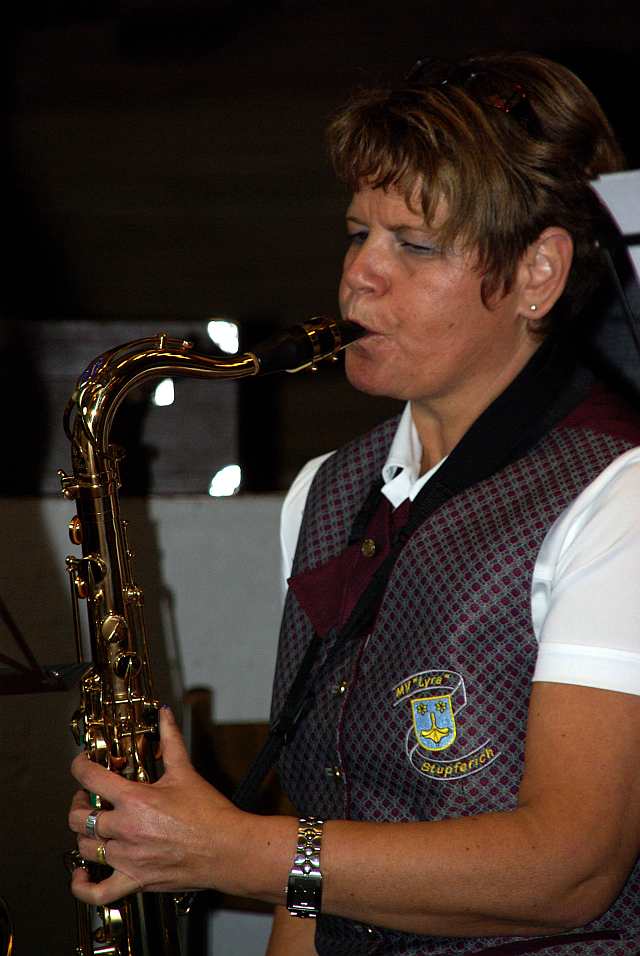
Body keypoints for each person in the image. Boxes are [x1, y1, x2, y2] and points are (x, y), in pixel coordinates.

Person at [68, 52, 640, 955]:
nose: (359, 276)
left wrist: (229, 850)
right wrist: (247, 856)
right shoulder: (326, 490)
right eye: (357, 233)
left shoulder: (619, 497)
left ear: (539, 273)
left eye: (414, 244)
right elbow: (319, 846)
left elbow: (570, 868)